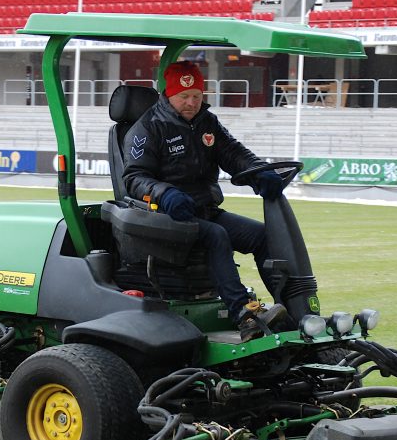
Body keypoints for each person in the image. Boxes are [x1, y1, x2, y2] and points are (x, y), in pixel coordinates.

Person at [122, 61, 287, 342]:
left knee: (261, 235)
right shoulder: (147, 128)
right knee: (216, 236)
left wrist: (261, 173)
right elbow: (135, 178)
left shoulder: (206, 122)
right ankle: (244, 316)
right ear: (168, 95)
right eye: (183, 97)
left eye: (196, 96)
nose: (191, 103)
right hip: (167, 216)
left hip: (205, 210)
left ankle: (287, 310)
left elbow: (234, 153)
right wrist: (164, 194)